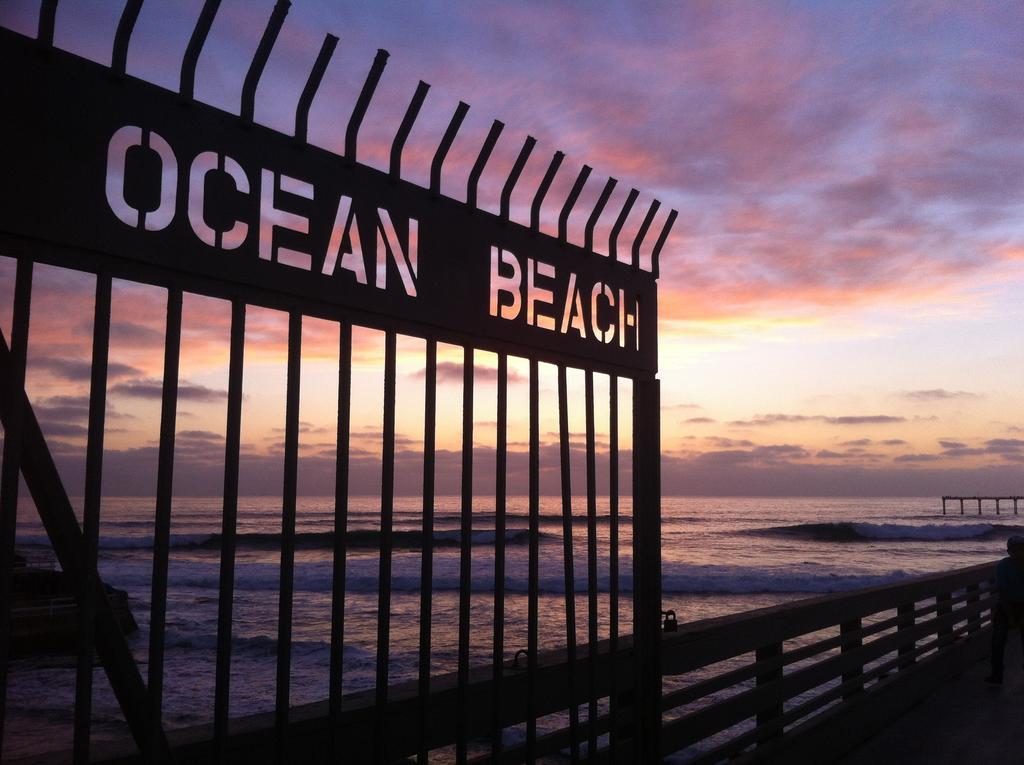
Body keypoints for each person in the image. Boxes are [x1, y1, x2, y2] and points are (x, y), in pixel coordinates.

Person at [985, 535, 1024, 684]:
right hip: (1007, 604)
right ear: (1009, 552)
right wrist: (1011, 617)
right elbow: (1003, 592)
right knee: (998, 641)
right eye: (1015, 550)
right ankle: (997, 673)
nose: (1019, 553)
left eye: (1022, 549)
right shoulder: (1003, 566)